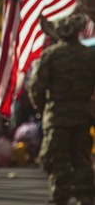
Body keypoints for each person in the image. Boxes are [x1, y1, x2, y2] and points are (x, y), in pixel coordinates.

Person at [28, 11, 95, 205]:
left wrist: (42, 107)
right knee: (81, 157)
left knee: (55, 157)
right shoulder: (88, 55)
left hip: (57, 115)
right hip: (83, 113)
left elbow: (37, 86)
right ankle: (86, 195)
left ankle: (61, 194)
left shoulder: (51, 54)